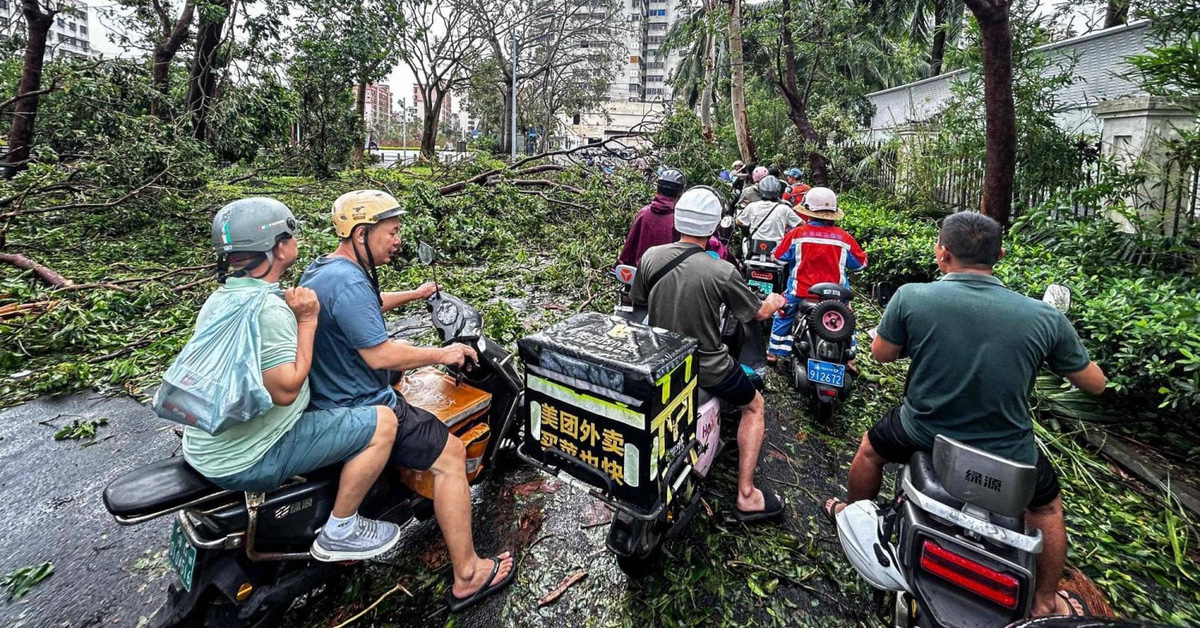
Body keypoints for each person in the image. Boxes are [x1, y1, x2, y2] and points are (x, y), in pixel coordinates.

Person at [823, 212, 1108, 619]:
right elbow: (1095, 384)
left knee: (870, 451)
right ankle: (1045, 600)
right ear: (1000, 255)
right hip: (1009, 453)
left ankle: (850, 512)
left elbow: (881, 354)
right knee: (1045, 509)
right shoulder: (1045, 317)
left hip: (922, 432)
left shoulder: (911, 297)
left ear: (942, 253)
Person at [300, 190, 516, 611]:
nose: (398, 240)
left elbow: (369, 304)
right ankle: (468, 574)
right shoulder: (349, 282)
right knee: (451, 455)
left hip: (329, 396)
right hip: (363, 400)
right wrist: (441, 353)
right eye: (392, 232)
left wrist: (416, 295)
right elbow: (379, 354)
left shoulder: (326, 270)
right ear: (362, 233)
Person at [184, 198, 401, 562]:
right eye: (291, 233)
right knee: (383, 422)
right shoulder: (270, 308)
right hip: (246, 457)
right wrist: (307, 320)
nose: (295, 239)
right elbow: (286, 390)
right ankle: (341, 529)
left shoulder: (223, 298)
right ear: (279, 247)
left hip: (205, 445)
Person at [631, 186, 788, 522]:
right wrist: (774, 302)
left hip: (660, 364)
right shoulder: (722, 271)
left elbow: (639, 306)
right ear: (715, 225)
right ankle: (747, 494)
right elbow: (756, 313)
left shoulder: (650, 258)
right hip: (708, 368)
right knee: (755, 404)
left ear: (678, 220)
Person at [768, 187, 867, 365]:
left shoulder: (797, 234)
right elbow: (861, 264)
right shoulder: (844, 238)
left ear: (808, 212)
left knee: (783, 312)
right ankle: (850, 358)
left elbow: (778, 258)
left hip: (800, 293)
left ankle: (774, 352)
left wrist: (774, 255)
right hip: (836, 297)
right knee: (848, 320)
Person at [616, 168, 736, 267]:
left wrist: (621, 264)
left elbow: (629, 246)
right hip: (675, 276)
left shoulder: (644, 213)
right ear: (681, 193)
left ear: (657, 189)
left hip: (642, 272)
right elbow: (707, 244)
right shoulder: (682, 217)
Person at [735, 175, 802, 256]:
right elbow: (801, 224)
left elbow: (738, 222)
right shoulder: (784, 208)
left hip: (755, 247)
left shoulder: (752, 206)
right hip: (776, 250)